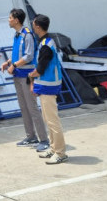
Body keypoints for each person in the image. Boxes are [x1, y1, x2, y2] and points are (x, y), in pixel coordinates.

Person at [0, 8, 49, 152]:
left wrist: (14, 65)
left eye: (10, 18)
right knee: (24, 107)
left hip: (27, 77)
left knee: (32, 108)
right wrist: (9, 62)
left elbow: (28, 56)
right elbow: (18, 53)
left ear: (16, 20)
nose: (8, 20)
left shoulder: (27, 35)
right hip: (18, 75)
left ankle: (44, 139)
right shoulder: (17, 35)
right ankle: (31, 136)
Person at [28, 14, 69, 165]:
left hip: (49, 87)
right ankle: (53, 148)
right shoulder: (46, 42)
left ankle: (60, 153)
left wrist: (30, 75)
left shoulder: (46, 45)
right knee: (48, 119)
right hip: (46, 86)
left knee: (53, 121)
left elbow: (40, 69)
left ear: (38, 26)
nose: (32, 27)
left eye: (33, 24)